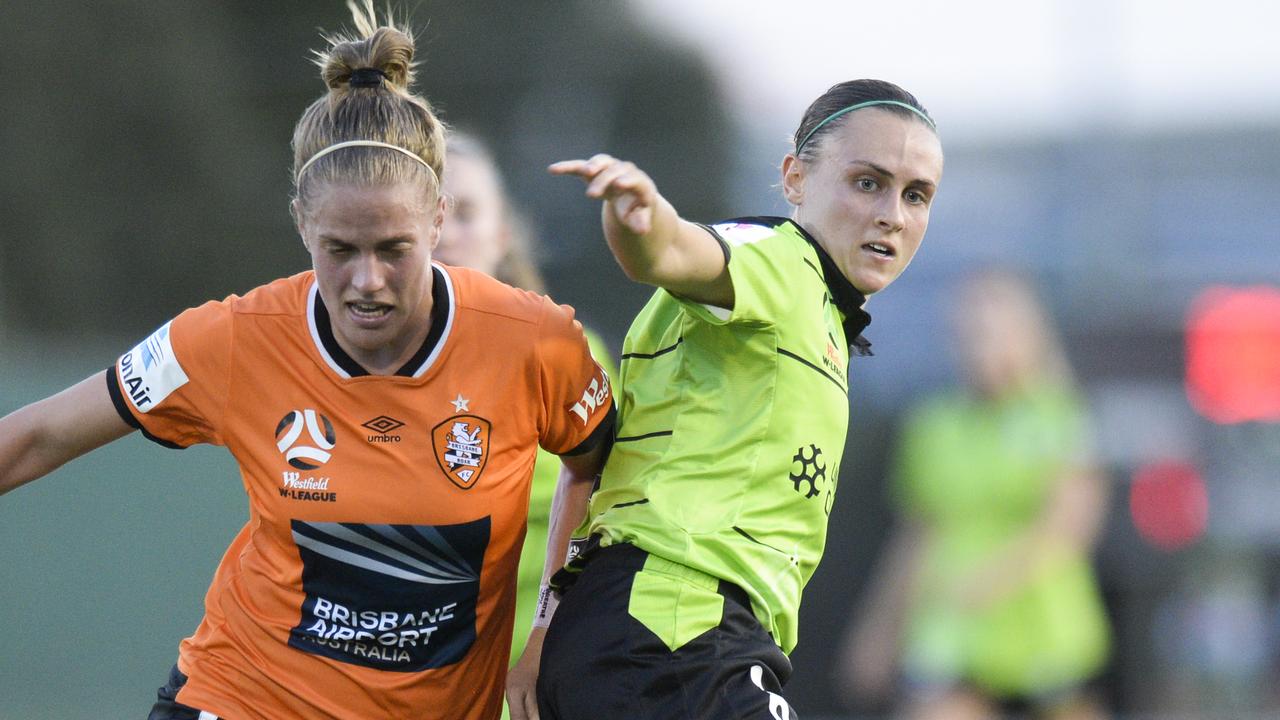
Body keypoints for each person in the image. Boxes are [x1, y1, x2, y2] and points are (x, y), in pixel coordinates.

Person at [0, 5, 614, 719]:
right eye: (340, 250)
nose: (366, 282)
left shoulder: (532, 340)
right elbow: (37, 437)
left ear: (439, 221)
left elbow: (594, 465)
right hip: (244, 698)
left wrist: (548, 628)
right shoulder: (230, 338)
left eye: (394, 250)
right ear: (301, 224)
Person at [505, 79, 945, 720]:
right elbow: (679, 252)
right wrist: (643, 220)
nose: (893, 215)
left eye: (916, 195)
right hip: (676, 632)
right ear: (795, 178)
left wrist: (546, 629)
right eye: (867, 182)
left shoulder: (820, 312)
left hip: (657, 634)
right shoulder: (779, 262)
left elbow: (595, 474)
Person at [836, 270, 1112, 720]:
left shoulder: (1060, 417)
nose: (982, 348)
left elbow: (1068, 526)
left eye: (995, 333)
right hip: (952, 634)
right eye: (970, 334)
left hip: (1046, 635)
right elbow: (916, 539)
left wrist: (990, 579)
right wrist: (880, 629)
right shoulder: (935, 425)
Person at [434, 130, 618, 671]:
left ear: (503, 235)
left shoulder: (567, 358)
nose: (443, 233)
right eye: (427, 212)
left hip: (531, 682)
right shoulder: (347, 367)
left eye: (464, 212)